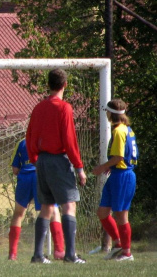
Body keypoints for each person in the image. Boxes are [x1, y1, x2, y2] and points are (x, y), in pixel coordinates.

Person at [26, 69, 87, 264]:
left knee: (46, 207)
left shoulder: (38, 108)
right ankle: (70, 255)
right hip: (58, 160)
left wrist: (35, 159)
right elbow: (70, 140)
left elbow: (30, 136)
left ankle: (38, 255)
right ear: (65, 85)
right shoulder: (64, 108)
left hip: (41, 161)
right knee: (69, 205)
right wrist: (79, 167)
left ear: (49, 84)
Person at [92, 99, 138, 262]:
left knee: (121, 215)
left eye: (107, 111)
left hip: (123, 176)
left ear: (110, 113)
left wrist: (102, 167)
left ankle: (127, 253)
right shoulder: (126, 129)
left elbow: (119, 156)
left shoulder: (119, 131)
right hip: (117, 174)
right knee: (103, 212)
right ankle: (118, 244)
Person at [8, 138, 65, 261]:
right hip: (42, 176)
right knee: (53, 211)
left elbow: (15, 170)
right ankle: (59, 251)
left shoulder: (22, 142)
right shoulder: (48, 141)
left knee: (18, 214)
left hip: (25, 179)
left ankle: (12, 254)